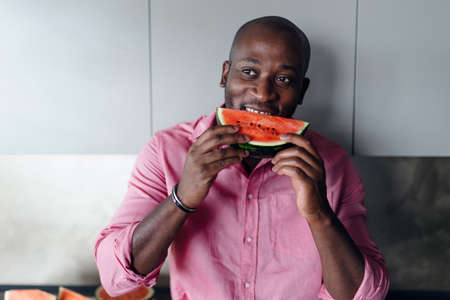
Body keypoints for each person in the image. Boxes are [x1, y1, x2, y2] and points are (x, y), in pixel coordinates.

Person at [95, 16, 389, 300]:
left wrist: (319, 213)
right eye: (249, 71)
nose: (263, 94)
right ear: (225, 74)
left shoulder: (332, 164)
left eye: (284, 79)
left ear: (302, 90)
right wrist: (181, 199)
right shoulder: (166, 150)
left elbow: (365, 296)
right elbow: (115, 278)